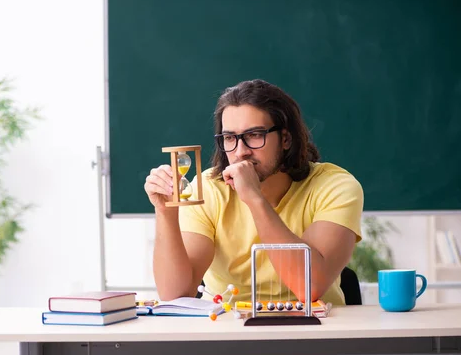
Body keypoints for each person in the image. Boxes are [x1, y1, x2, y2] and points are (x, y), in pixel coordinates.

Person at [144, 79, 363, 306]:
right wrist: (165, 211)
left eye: (255, 135)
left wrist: (253, 198)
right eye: (230, 138)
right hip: (229, 329)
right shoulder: (209, 189)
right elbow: (176, 294)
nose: (241, 152)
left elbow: (308, 287)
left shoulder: (335, 186)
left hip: (316, 331)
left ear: (286, 139)